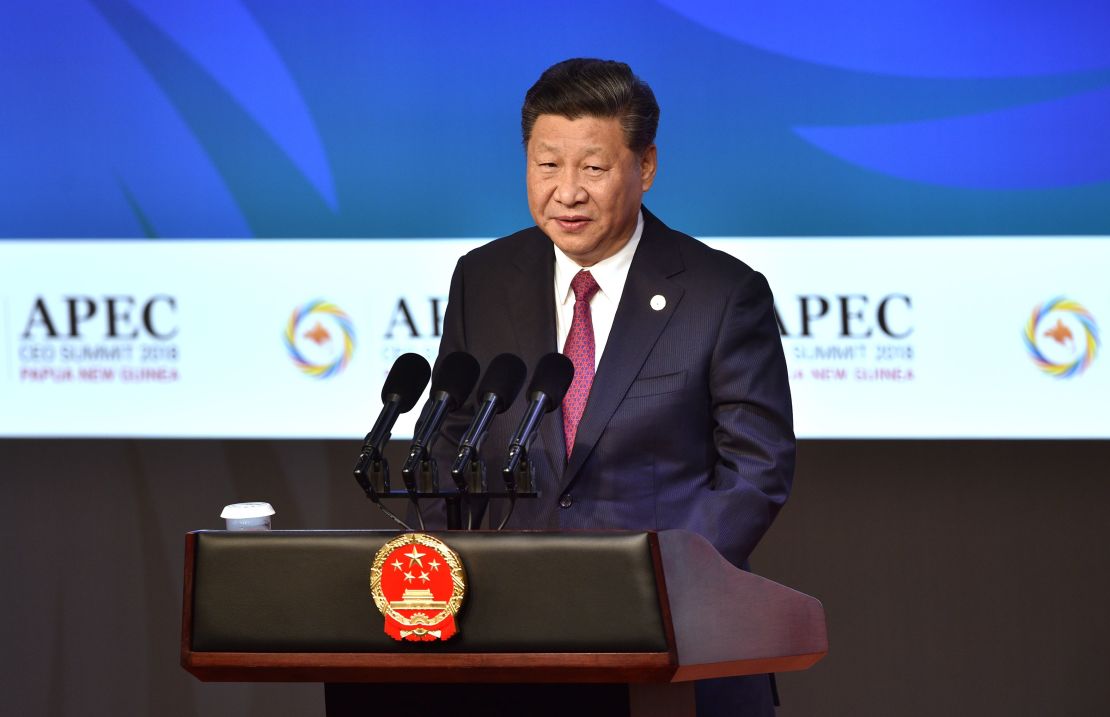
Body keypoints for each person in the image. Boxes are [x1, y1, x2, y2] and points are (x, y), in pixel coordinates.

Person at [432, 58, 795, 716]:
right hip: (512, 649)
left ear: (645, 167)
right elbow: (447, 443)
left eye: (593, 168)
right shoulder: (480, 280)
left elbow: (756, 468)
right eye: (547, 165)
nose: (567, 192)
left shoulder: (721, 294)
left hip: (673, 648)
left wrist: (659, 586)